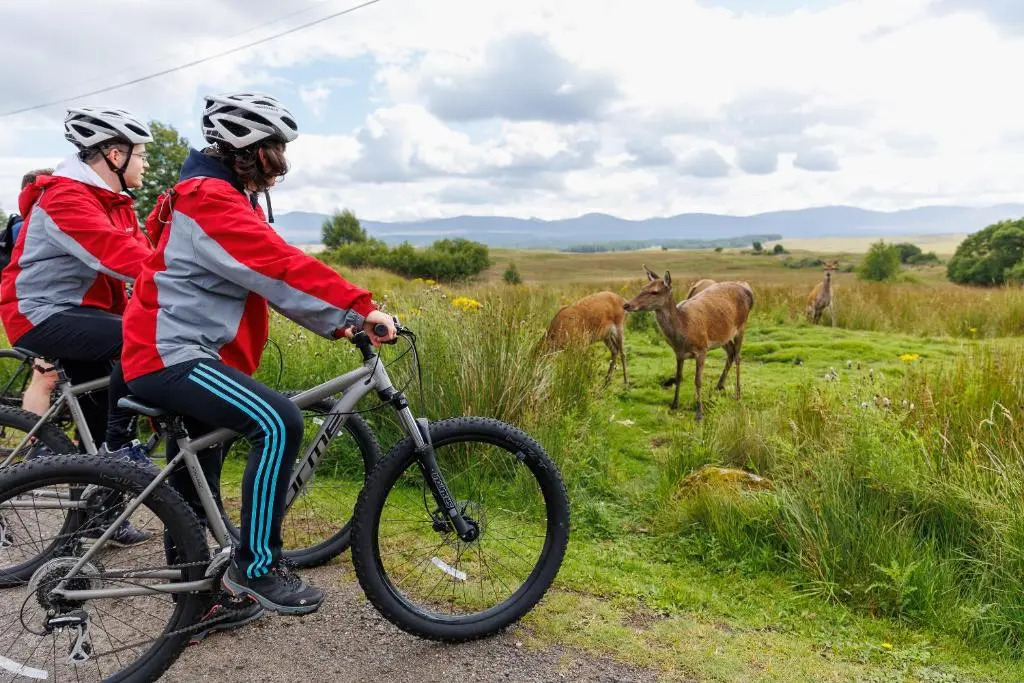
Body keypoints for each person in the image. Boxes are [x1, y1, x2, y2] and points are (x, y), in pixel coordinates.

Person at [121, 92, 395, 617]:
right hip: (171, 354)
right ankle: (259, 567)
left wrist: (341, 320)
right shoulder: (209, 199)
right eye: (276, 150)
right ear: (247, 150)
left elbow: (263, 273)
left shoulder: (218, 195)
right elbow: (277, 265)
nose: (282, 164)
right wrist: (358, 309)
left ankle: (197, 602)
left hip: (178, 351)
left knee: (194, 481)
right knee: (279, 421)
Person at [0, 107, 156, 546]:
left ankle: (101, 517)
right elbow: (117, 254)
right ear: (114, 155)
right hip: (40, 313)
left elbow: (144, 256)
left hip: (83, 315)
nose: (145, 163)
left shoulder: (115, 203)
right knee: (139, 339)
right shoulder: (66, 198)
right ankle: (120, 450)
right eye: (141, 154)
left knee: (102, 412)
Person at [5, 169, 59, 416]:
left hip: (46, 303)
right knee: (45, 377)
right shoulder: (28, 225)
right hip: (40, 307)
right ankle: (34, 435)